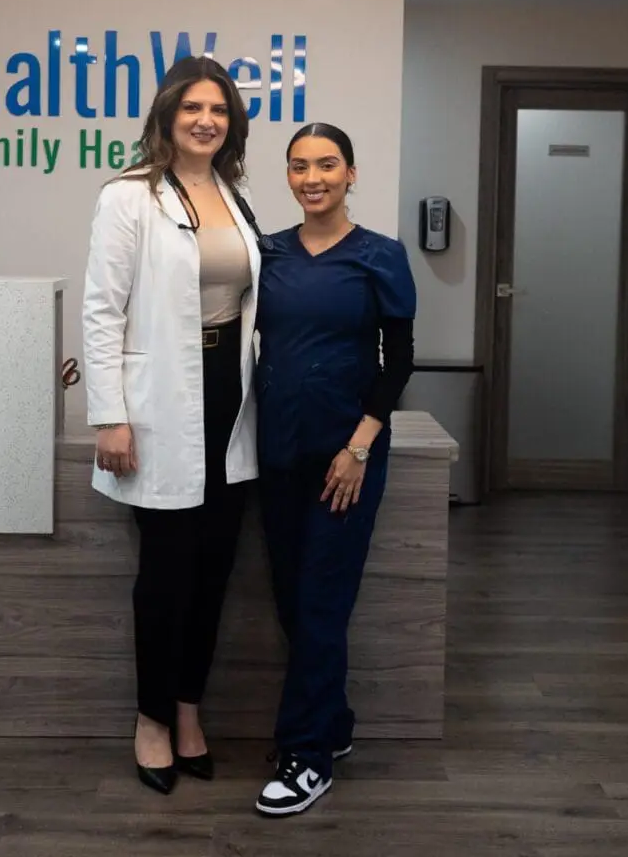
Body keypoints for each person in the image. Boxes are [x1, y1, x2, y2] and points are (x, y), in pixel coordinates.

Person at [80, 55, 264, 795]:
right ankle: (151, 719)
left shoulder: (233, 192)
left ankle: (190, 710)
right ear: (166, 116)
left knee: (216, 570)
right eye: (191, 108)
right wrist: (109, 416)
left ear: (231, 123)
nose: (205, 120)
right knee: (165, 575)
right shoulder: (128, 197)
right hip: (160, 399)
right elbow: (100, 309)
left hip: (230, 396)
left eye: (218, 110)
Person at [250, 122, 417, 817]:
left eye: (325, 164)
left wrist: (359, 446)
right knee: (293, 602)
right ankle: (333, 724)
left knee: (321, 602)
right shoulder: (267, 253)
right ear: (286, 177)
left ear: (350, 174)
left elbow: (398, 359)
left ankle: (305, 756)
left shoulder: (380, 256)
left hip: (343, 459)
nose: (311, 177)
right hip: (276, 453)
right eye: (297, 166)